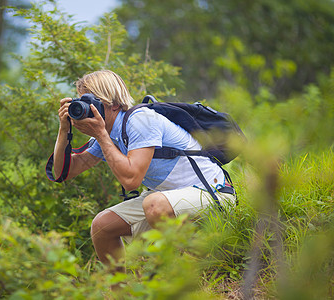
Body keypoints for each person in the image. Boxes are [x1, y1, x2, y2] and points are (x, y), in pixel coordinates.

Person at [53, 70, 236, 266]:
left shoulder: (140, 120)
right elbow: (63, 172)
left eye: (91, 102)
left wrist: (100, 135)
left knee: (154, 204)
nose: (86, 109)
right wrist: (64, 130)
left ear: (113, 103)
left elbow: (131, 181)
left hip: (212, 194)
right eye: (81, 103)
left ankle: (201, 264)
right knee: (101, 226)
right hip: (168, 198)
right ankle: (120, 293)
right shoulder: (105, 133)